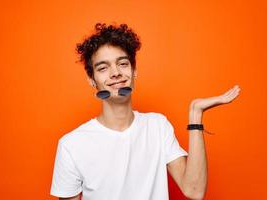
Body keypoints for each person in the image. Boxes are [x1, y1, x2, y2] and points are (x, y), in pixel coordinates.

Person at [50, 23, 240, 200]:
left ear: (134, 71)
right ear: (92, 80)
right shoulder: (71, 145)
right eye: (103, 68)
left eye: (123, 63)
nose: (115, 72)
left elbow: (194, 190)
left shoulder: (158, 126)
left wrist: (195, 114)